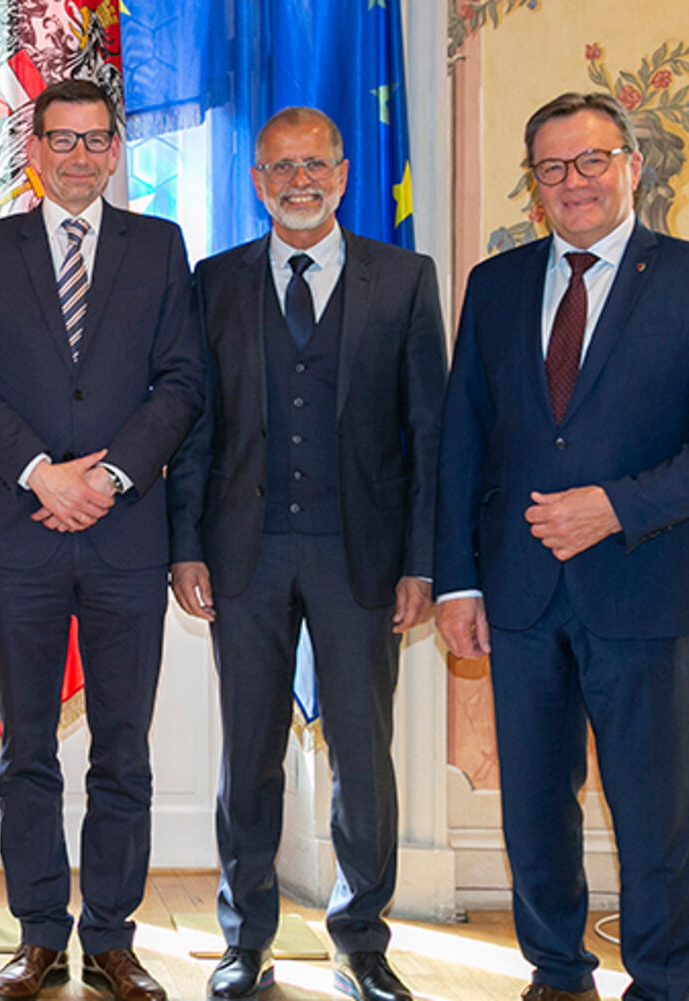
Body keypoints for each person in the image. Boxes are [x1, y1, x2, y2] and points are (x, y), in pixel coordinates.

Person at [433, 92, 689, 1001]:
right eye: (552, 168)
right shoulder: (495, 285)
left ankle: (663, 983)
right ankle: (555, 970)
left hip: (644, 586)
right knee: (534, 809)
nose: (573, 182)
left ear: (632, 166)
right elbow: (463, 442)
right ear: (534, 184)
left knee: (652, 809)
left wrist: (616, 507)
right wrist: (457, 583)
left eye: (591, 161)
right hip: (517, 592)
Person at [168, 106, 447, 1001]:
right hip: (242, 553)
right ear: (257, 181)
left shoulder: (404, 279)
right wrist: (186, 547)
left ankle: (361, 938)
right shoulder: (214, 282)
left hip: (359, 555)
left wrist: (423, 560)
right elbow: (194, 430)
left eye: (315, 164)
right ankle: (244, 937)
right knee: (248, 752)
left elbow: (427, 431)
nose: (299, 180)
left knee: (363, 756)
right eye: (281, 167)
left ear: (343, 172)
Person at [0, 78, 204, 1001]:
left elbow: (181, 384)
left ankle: (115, 937)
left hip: (127, 536)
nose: (81, 156)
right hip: (21, 537)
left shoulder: (161, 247)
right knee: (28, 748)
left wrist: (106, 477)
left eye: (97, 140)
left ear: (116, 147)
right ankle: (41, 933)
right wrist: (42, 473)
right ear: (35, 148)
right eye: (63, 139)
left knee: (123, 746)